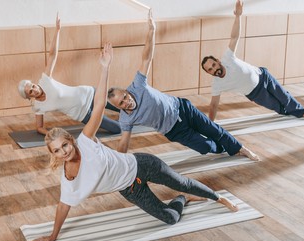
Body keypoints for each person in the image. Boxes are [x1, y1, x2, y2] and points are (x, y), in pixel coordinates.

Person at [29, 42, 238, 241]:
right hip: (130, 190)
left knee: (182, 181)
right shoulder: (69, 180)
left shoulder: (85, 142)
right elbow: (63, 207)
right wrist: (53, 235)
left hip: (142, 165)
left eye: (64, 145)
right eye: (57, 151)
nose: (63, 152)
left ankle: (218, 198)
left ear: (71, 141)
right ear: (53, 155)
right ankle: (183, 199)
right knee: (170, 218)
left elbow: (100, 103)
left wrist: (105, 68)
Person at [107, 10, 259, 160]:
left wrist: (152, 30)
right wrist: (119, 166)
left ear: (126, 91)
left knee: (214, 130)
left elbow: (146, 58)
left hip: (182, 109)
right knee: (205, 147)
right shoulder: (125, 120)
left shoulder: (137, 85)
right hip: (174, 131)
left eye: (125, 96)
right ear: (118, 108)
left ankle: (241, 149)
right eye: (121, 103)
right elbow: (123, 144)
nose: (127, 102)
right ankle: (223, 147)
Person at [201, 0, 304, 121]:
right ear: (209, 73)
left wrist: (238, 16)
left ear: (218, 61)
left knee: (283, 96)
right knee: (277, 107)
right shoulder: (216, 84)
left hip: (263, 76)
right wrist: (210, 125)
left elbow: (234, 37)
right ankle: (292, 113)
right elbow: (213, 105)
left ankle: (303, 112)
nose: (214, 69)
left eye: (213, 65)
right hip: (255, 94)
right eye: (210, 69)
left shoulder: (227, 58)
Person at [17, 13, 121, 135]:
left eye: (33, 86)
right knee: (117, 129)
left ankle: (138, 115)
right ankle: (128, 121)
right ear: (29, 97)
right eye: (30, 92)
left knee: (123, 106)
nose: (34, 89)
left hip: (89, 94)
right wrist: (50, 134)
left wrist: (57, 30)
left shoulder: (45, 80)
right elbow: (39, 127)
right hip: (83, 114)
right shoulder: (38, 106)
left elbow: (52, 55)